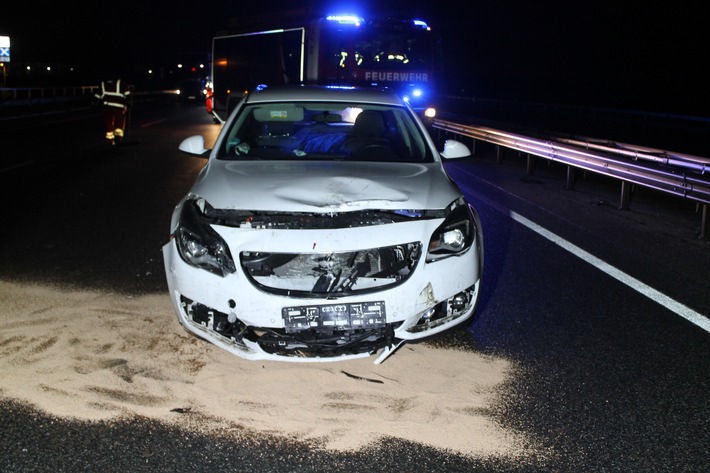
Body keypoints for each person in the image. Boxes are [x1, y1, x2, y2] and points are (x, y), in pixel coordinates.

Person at [94, 77, 132, 144]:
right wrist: (128, 103)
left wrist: (94, 103)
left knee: (108, 122)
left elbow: (97, 95)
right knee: (119, 122)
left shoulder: (103, 84)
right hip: (119, 107)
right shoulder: (122, 84)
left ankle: (110, 139)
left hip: (107, 107)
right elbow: (128, 94)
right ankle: (118, 137)